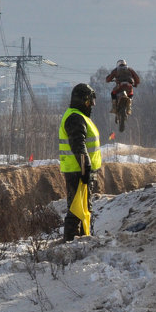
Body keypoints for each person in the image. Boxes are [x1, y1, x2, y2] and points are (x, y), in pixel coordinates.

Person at [59, 83, 102, 241]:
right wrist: (86, 169)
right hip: (79, 171)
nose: (91, 106)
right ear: (83, 101)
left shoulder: (77, 116)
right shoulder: (75, 118)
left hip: (79, 170)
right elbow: (79, 145)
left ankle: (82, 239)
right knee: (78, 209)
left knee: (82, 207)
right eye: (89, 102)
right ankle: (74, 243)